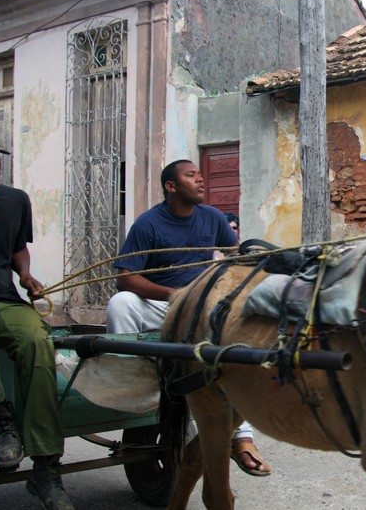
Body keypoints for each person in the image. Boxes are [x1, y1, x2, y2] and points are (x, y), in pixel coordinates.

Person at [105, 159, 271, 476]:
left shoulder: (212, 217)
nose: (201, 179)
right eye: (191, 175)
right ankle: (129, 383)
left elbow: (235, 253)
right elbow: (126, 278)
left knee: (235, 347)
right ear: (171, 186)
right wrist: (177, 298)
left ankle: (243, 438)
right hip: (164, 303)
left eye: (200, 174)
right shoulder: (147, 224)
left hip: (202, 307)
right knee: (121, 302)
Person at [0, 130, 75, 509]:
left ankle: (46, 467)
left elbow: (19, 250)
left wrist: (27, 276)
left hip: (6, 298)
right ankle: (4, 422)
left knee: (38, 341)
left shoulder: (16, 201)